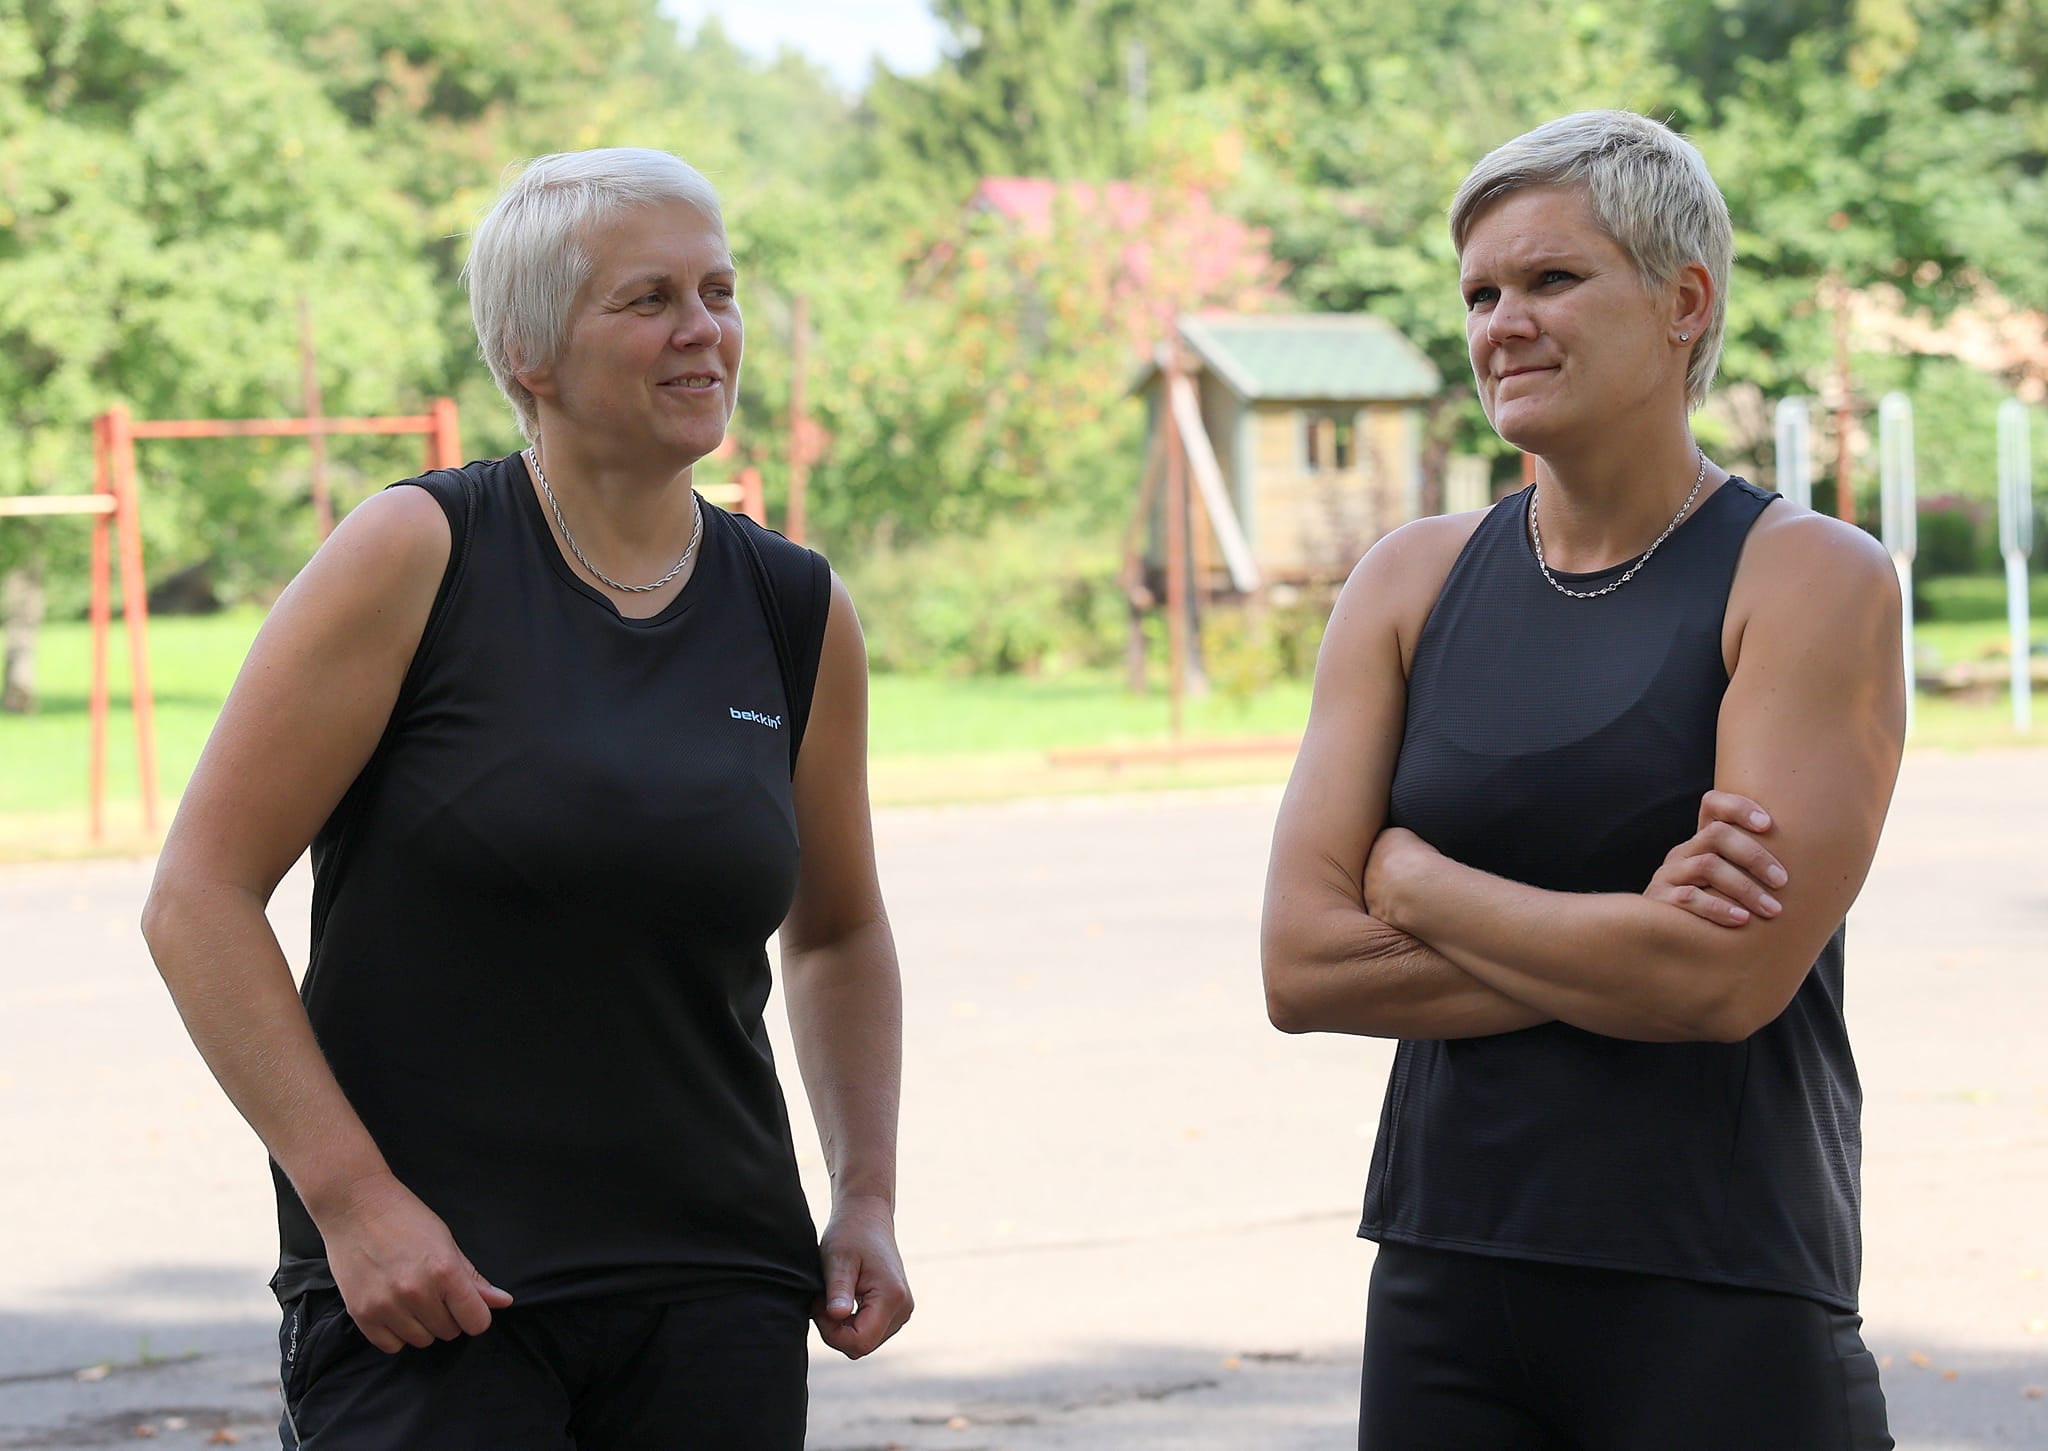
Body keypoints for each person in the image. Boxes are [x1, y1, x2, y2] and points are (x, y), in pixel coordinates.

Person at [142, 147, 910, 1449]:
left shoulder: (793, 606)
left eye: (719, 291)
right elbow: (197, 900)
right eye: (650, 298)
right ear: (527, 352)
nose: (704, 329)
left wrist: (867, 1198)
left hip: (716, 1291)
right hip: (432, 1296)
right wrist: (354, 1205)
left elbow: (837, 931)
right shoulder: (417, 554)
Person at [1261, 110, 1902, 1451]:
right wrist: (1631, 940)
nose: (1505, 324)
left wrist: (1419, 887)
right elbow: (1304, 966)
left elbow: (1723, 983)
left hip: (1721, 1281)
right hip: (1445, 1282)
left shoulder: (1808, 578)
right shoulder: (1409, 581)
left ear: (1684, 303)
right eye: (1480, 294)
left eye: (1552, 279)